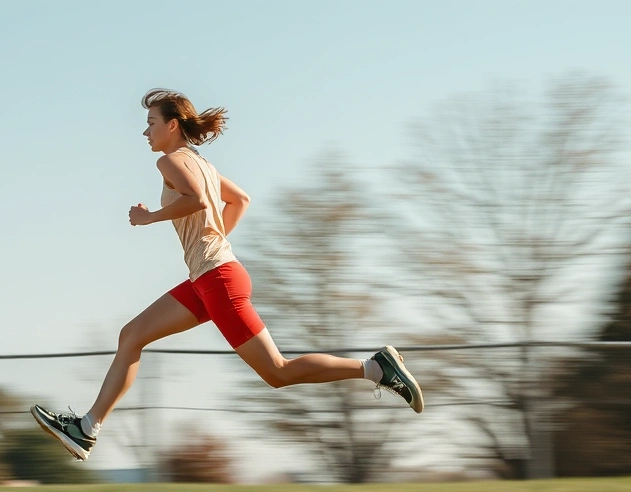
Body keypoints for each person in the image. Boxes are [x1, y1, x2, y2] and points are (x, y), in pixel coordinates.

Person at [32, 88, 423, 461]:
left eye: (151, 123)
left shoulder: (169, 161)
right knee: (131, 335)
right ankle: (87, 428)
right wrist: (213, 240)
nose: (145, 131)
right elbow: (239, 200)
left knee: (277, 372)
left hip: (217, 280)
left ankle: (376, 368)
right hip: (210, 277)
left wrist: (150, 217)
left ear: (172, 125)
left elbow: (198, 201)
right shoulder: (202, 164)